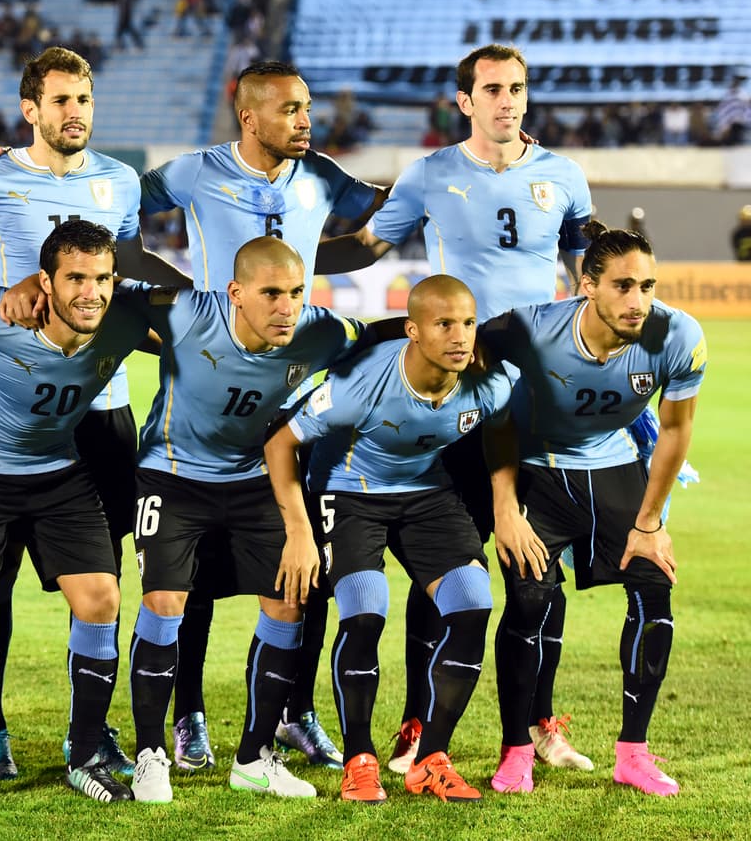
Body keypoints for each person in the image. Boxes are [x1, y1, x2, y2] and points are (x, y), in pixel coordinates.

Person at [315, 43, 595, 774]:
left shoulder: (565, 176)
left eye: (517, 88)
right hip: (459, 397)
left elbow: (584, 275)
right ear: (465, 101)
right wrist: (287, 257)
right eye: (492, 89)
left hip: (539, 400)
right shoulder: (430, 173)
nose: (507, 100)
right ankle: (415, 724)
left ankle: (537, 722)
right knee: (440, 566)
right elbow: (365, 248)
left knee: (540, 569)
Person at [139, 60, 384, 772]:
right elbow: (120, 212)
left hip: (293, 383)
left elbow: (376, 230)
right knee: (193, 577)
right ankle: (188, 715)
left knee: (305, 567)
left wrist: (301, 278)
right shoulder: (195, 171)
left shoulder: (322, 176)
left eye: (307, 107)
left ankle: (291, 714)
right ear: (249, 117)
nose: (306, 120)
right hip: (211, 377)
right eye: (290, 109)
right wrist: (192, 293)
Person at [0, 46, 152, 781]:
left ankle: (90, 732)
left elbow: (129, 270)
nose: (75, 112)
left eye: (83, 98)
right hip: (17, 404)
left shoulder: (120, 181)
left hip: (103, 411)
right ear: (30, 109)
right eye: (60, 100)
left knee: (100, 579)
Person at [0, 220, 176, 808]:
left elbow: (203, 311)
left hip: (58, 472)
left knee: (101, 599)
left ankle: (85, 755)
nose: (91, 292)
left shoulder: (122, 317)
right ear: (46, 281)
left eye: (102, 278)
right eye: (76, 279)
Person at [125, 236, 377, 804]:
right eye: (271, 294)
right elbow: (103, 289)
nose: (286, 308)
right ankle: (150, 754)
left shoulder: (322, 330)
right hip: (172, 476)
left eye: (296, 293)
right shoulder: (185, 311)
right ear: (236, 293)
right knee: (165, 601)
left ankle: (254, 757)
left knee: (289, 600)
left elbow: (381, 335)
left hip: (254, 479)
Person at [264, 275, 511, 803]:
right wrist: (299, 530)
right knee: (365, 611)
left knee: (473, 604)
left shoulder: (489, 381)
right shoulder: (360, 383)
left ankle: (431, 759)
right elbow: (280, 443)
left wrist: (507, 508)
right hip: (348, 490)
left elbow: (505, 428)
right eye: (444, 324)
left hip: (427, 492)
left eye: (468, 323)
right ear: (412, 330)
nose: (460, 337)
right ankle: (360, 761)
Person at [482, 221, 705, 796]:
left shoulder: (678, 336)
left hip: (613, 464)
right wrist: (504, 509)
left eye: (648, 286)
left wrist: (650, 523)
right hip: (537, 469)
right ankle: (517, 750)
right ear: (587, 286)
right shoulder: (531, 329)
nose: (638, 302)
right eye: (623, 286)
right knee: (529, 598)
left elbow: (675, 431)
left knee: (654, 586)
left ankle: (633, 753)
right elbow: (482, 391)